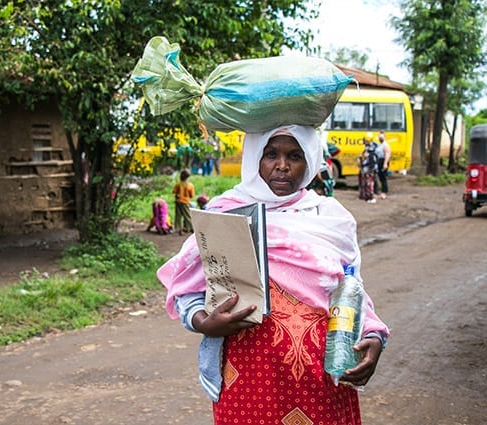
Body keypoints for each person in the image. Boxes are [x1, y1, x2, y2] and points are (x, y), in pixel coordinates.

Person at [157, 125, 389, 425]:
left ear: (309, 161)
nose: (282, 166)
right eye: (270, 154)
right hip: (248, 378)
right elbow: (189, 289)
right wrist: (203, 322)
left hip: (320, 378)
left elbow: (351, 287)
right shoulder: (226, 213)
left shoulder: (330, 217)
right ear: (254, 158)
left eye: (294, 155)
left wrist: (372, 334)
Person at [172, 169, 195, 235]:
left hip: (178, 201)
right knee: (187, 215)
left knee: (178, 216)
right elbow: (191, 195)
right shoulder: (190, 185)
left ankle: (178, 229)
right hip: (186, 202)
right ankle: (190, 228)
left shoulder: (178, 184)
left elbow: (174, 192)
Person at [358, 132, 378, 203]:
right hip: (365, 169)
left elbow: (371, 159)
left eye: (365, 140)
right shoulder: (367, 148)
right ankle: (366, 196)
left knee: (370, 183)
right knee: (365, 183)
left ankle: (371, 197)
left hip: (370, 169)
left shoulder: (372, 149)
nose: (364, 141)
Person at [374, 131, 391, 199]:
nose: (380, 137)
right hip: (379, 161)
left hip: (383, 161)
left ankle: (384, 192)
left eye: (382, 136)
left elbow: (387, 154)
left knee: (383, 178)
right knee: (379, 176)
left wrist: (385, 163)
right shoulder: (379, 145)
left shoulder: (385, 145)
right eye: (379, 136)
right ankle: (378, 191)